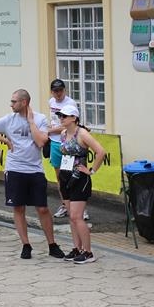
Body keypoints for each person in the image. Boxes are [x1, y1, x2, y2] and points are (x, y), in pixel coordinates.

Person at [0, 89, 65, 259]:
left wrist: (31, 122)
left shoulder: (40, 119)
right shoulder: (9, 119)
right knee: (18, 207)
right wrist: (5, 140)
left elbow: (41, 142)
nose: (11, 104)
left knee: (42, 208)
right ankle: (26, 245)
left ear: (24, 102)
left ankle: (52, 244)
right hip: (14, 168)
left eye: (14, 101)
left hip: (34, 169)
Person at [54, 104, 105, 264]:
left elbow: (101, 152)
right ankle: (77, 248)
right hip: (66, 176)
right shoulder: (63, 133)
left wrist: (91, 170)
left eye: (64, 116)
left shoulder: (82, 134)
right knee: (71, 216)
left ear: (74, 118)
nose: (61, 118)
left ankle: (88, 252)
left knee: (77, 216)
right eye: (60, 116)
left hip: (79, 178)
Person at [47, 79, 87, 221]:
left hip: (70, 143)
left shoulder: (70, 103)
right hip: (55, 142)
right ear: (52, 92)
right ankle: (65, 204)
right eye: (55, 91)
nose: (58, 93)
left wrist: (49, 130)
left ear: (64, 90)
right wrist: (50, 132)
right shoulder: (51, 102)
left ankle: (82, 208)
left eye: (60, 90)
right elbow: (54, 121)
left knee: (74, 175)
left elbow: (68, 125)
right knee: (60, 177)